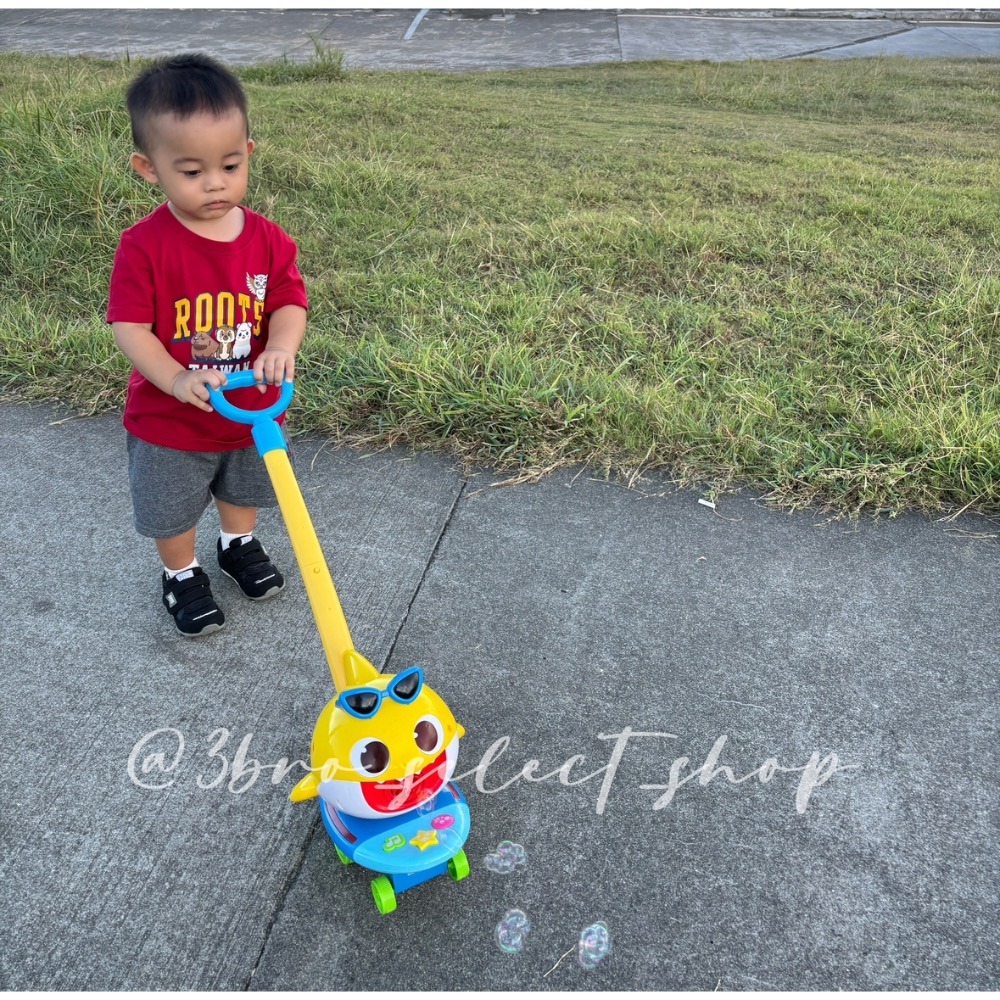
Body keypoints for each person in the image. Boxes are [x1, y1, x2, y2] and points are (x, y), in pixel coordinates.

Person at [107, 52, 308, 637]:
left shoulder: (268, 240)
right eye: (192, 171)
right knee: (169, 509)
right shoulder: (144, 246)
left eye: (228, 165)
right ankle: (181, 573)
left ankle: (236, 543)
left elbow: (289, 304)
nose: (215, 184)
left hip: (251, 409)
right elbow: (130, 326)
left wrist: (280, 346)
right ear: (150, 168)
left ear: (248, 152)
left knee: (244, 488)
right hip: (171, 420)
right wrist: (174, 378)